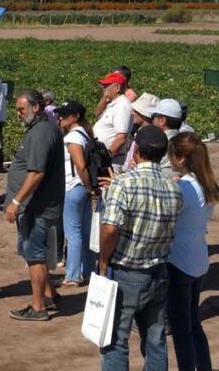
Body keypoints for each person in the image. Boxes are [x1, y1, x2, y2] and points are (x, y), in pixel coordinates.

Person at [98, 125, 182, 370]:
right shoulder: (173, 188)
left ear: (135, 150)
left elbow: (111, 228)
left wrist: (104, 261)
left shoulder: (123, 185)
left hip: (127, 272)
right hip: (159, 271)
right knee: (155, 340)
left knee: (115, 341)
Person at [4, 90, 64, 322]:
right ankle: (51, 294)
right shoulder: (44, 129)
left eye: (21, 109)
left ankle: (38, 307)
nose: (18, 114)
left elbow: (37, 173)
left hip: (37, 206)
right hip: (39, 205)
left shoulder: (40, 133)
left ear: (35, 107)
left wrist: (16, 202)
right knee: (35, 252)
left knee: (35, 255)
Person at [166, 133, 216, 371]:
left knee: (181, 329)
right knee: (193, 324)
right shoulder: (205, 183)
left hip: (179, 261)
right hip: (198, 258)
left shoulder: (184, 187)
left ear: (182, 159)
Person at [56, 101, 95, 286]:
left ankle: (72, 275)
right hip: (83, 189)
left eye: (64, 115)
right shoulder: (85, 134)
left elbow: (80, 165)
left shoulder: (73, 137)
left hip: (73, 187)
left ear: (75, 117)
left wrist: (87, 186)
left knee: (73, 233)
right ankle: (88, 271)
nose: (60, 118)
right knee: (85, 232)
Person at [93, 71, 133, 172]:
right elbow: (97, 113)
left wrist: (106, 156)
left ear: (117, 88)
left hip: (111, 162)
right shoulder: (114, 104)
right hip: (106, 160)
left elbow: (121, 137)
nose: (104, 89)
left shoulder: (122, 106)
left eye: (106, 86)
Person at [123, 92, 159, 171]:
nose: (132, 112)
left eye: (135, 110)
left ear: (143, 114)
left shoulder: (151, 137)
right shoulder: (138, 131)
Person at [150, 98, 183, 178]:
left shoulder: (157, 143)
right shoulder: (185, 141)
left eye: (153, 117)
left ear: (162, 120)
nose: (152, 121)